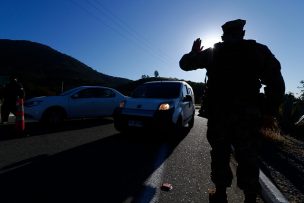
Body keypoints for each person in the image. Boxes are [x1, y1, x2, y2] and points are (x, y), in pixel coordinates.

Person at [179, 19, 285, 203]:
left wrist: (193, 52)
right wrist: (269, 111)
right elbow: (276, 82)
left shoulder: (214, 52)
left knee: (220, 154)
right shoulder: (258, 51)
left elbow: (185, 64)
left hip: (219, 114)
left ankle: (220, 194)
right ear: (242, 34)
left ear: (224, 35)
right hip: (248, 116)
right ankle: (250, 198)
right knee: (248, 156)